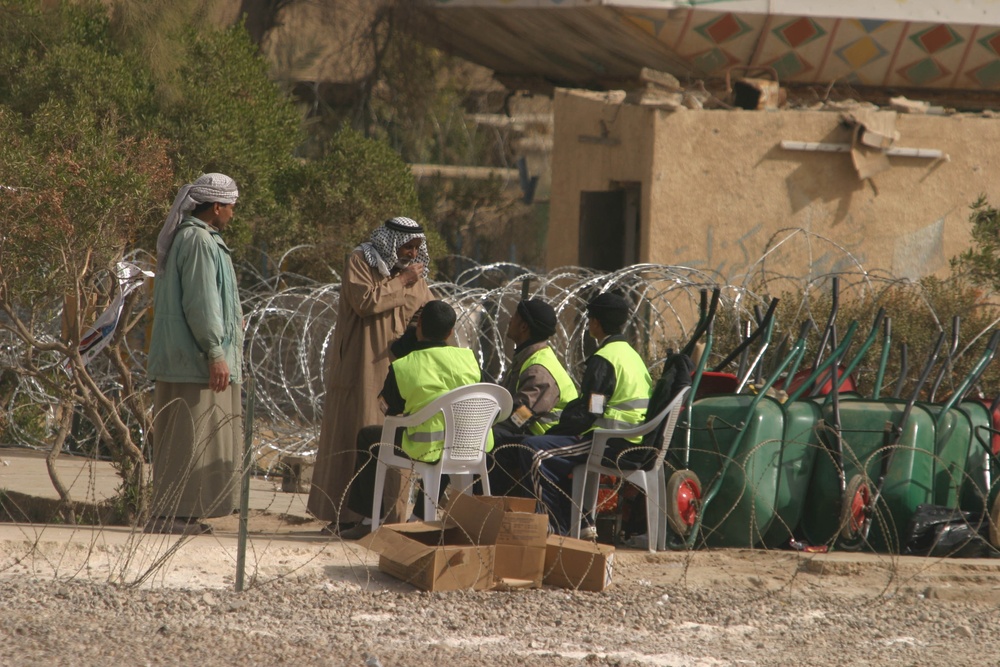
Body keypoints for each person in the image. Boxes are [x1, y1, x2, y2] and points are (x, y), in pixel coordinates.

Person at [308, 217, 433, 535]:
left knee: (392, 441)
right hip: (360, 369)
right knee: (355, 437)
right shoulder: (361, 260)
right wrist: (401, 280)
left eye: (416, 247)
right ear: (391, 242)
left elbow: (427, 310)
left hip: (399, 373)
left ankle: (388, 518)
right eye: (407, 246)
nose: (412, 253)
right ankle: (346, 516)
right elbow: (365, 302)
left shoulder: (414, 273)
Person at [146, 173, 243, 535]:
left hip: (186, 359)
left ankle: (179, 515)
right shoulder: (199, 241)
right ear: (216, 207)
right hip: (194, 362)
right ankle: (174, 516)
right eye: (231, 206)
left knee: (188, 441)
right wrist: (216, 353)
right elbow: (201, 305)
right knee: (189, 441)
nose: (233, 214)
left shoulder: (193, 238)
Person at [342, 300, 487, 538]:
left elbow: (387, 408)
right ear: (451, 332)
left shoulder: (404, 366)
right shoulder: (469, 360)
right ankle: (419, 517)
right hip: (468, 443)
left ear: (418, 325)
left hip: (423, 444)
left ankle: (369, 519)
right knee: (445, 450)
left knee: (369, 437)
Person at [516, 292, 653, 536]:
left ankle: (555, 528)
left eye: (590, 319)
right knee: (548, 449)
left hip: (609, 442)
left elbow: (593, 411)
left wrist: (560, 429)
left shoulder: (604, 360)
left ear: (595, 323)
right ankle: (580, 521)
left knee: (533, 451)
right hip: (633, 440)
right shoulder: (632, 356)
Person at [489, 299, 578, 497]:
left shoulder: (539, 369)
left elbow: (523, 415)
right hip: (537, 436)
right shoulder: (529, 356)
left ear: (523, 327)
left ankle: (492, 505)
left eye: (515, 317)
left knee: (492, 440)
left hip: (549, 440)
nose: (510, 320)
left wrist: (490, 425)